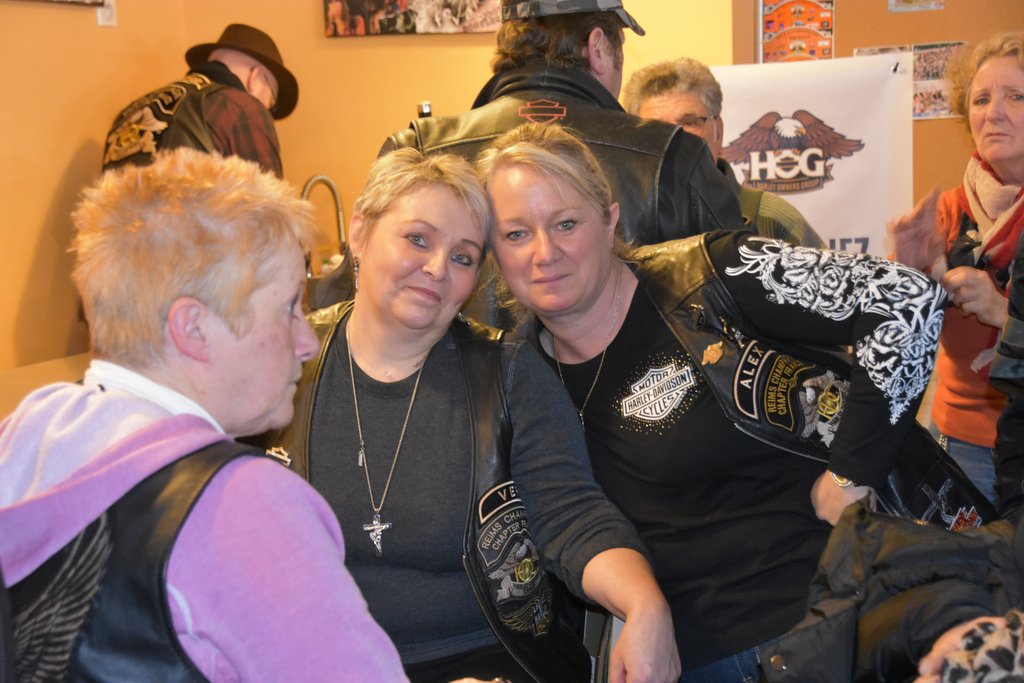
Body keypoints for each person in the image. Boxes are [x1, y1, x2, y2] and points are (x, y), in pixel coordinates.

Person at [477, 122, 947, 681]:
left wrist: (853, 472)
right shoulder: (517, 374)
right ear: (493, 253)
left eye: (566, 224)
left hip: (835, 618)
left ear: (610, 219)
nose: (545, 252)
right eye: (516, 234)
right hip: (688, 656)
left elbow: (907, 297)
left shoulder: (714, 273)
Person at [259, 147, 679, 682]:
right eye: (418, 239)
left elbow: (570, 516)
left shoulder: (509, 373)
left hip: (487, 661)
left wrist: (644, 603)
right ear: (359, 233)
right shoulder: (281, 357)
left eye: (462, 257)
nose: (437, 268)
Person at [0, 149, 408, 681]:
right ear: (193, 329)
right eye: (289, 306)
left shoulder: (31, 429)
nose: (307, 341)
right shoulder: (242, 507)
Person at [379, 0, 743, 326]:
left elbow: (366, 302)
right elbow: (740, 302)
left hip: (446, 384)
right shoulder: (673, 154)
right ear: (598, 47)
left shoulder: (417, 149)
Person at [888, 33, 1024, 504]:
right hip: (958, 441)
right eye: (981, 99)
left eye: (1016, 96)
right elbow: (898, 339)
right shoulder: (948, 209)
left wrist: (1002, 312)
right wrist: (907, 272)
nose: (994, 112)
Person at [622, 57, 825, 248]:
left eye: (690, 123)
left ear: (718, 131)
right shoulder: (619, 224)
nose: (675, 138)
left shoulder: (770, 218)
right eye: (657, 128)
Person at [102, 23, 297, 177]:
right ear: (256, 77)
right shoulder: (243, 108)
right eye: (271, 104)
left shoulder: (128, 113)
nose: (267, 111)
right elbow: (269, 210)